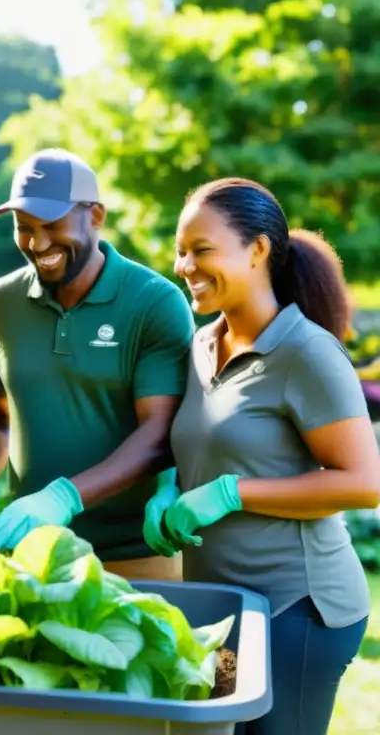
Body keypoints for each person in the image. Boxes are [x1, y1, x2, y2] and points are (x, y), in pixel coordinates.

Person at [158, 178, 380, 735]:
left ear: (257, 250)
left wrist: (233, 493)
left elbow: (365, 482)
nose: (186, 265)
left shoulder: (306, 353)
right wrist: (169, 487)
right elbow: (194, 441)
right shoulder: (201, 347)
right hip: (224, 607)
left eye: (202, 250)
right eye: (181, 251)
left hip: (298, 610)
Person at [0, 148, 193, 581]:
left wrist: (63, 497)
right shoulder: (1, 304)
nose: (37, 243)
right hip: (33, 560)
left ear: (96, 215)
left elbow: (159, 434)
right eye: (23, 228)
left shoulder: (154, 303)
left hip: (136, 557)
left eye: (52, 226)